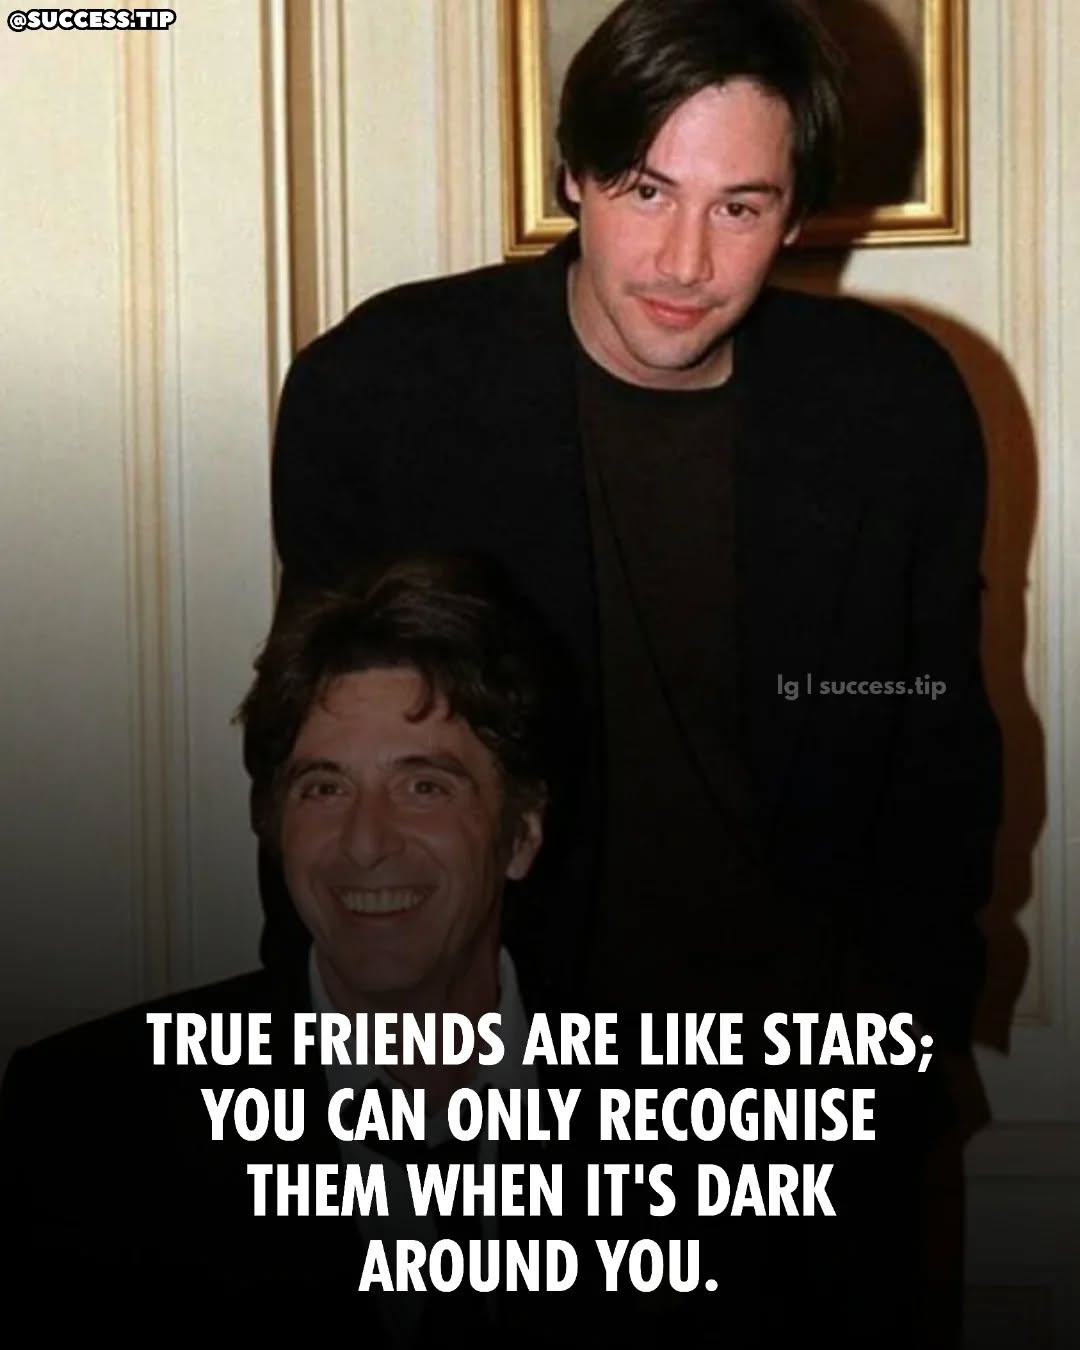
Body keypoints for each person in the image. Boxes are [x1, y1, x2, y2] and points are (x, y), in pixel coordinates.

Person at [267, 1, 1002, 1336]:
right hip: (492, 1102)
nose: (683, 258)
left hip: (811, 1113)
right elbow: (313, 749)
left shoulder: (894, 407)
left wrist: (904, 1035)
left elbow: (936, 744)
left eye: (739, 206)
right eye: (646, 190)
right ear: (572, 176)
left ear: (795, 216)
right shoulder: (382, 391)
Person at [0, 557, 563, 1331]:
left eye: (424, 786)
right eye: (324, 788)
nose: (364, 842)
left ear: (521, 834)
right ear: (274, 828)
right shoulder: (88, 1124)